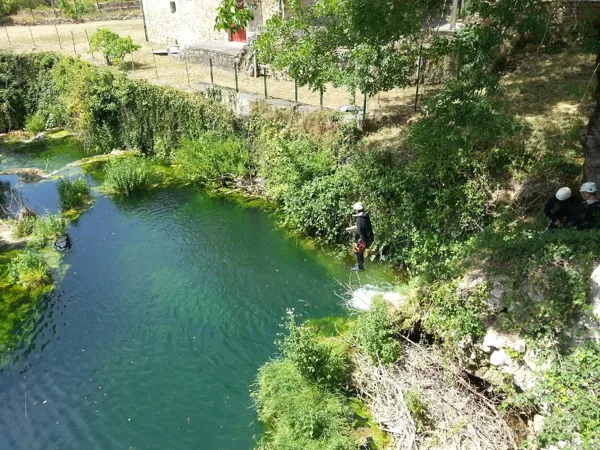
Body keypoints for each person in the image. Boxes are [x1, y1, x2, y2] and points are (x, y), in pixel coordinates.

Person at [349, 202, 374, 272]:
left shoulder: (359, 219)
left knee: (357, 250)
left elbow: (359, 232)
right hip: (370, 237)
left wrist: (355, 240)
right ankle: (361, 263)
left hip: (364, 240)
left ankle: (360, 267)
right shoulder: (365, 216)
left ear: (357, 210)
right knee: (360, 251)